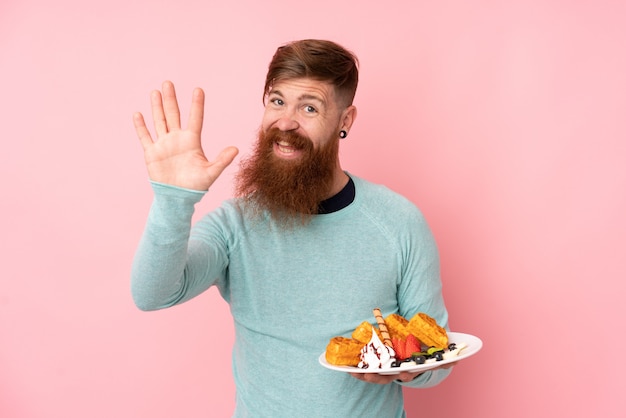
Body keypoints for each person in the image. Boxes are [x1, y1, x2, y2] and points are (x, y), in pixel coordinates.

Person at [131, 39, 451, 417]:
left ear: (344, 121)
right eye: (277, 101)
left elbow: (438, 360)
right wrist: (173, 201)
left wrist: (404, 369)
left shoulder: (399, 223)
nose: (286, 121)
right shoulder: (236, 223)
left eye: (310, 107)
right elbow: (153, 294)